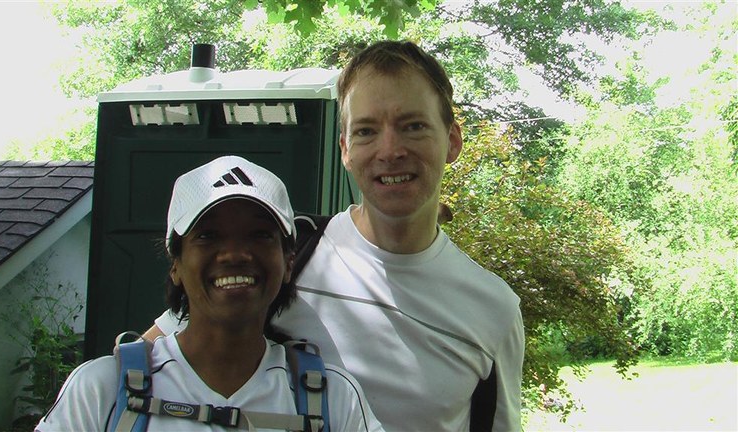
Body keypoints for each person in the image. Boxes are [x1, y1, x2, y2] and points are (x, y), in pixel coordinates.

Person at [148, 40, 525, 431]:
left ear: (453, 141)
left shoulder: (492, 310)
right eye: (366, 131)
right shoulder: (285, 255)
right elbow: (144, 370)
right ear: (345, 149)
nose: (390, 150)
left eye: (413, 126)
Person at [36, 155, 383, 431]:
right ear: (176, 265)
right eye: (207, 236)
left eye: (260, 235)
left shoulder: (335, 399)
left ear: (288, 263)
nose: (234, 254)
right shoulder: (101, 390)